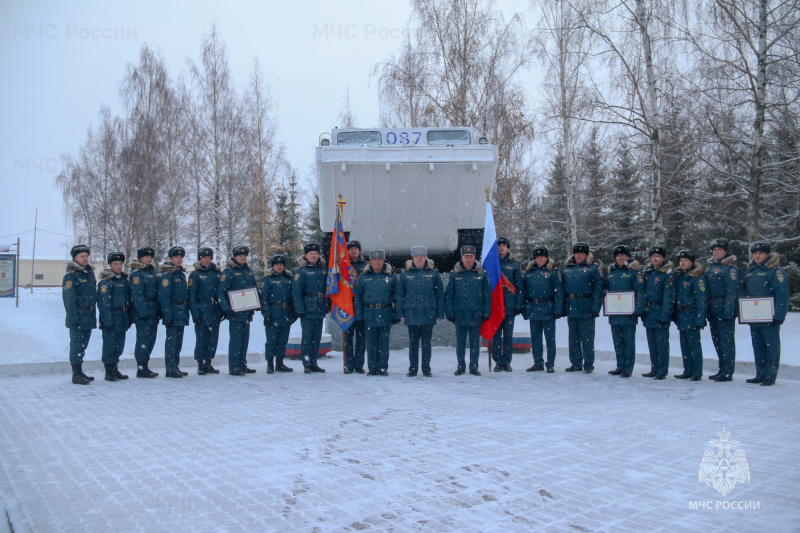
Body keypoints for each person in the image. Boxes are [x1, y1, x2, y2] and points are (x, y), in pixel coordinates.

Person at [742, 241, 789, 386]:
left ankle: (770, 375)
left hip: (769, 316)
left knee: (771, 346)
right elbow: (744, 291)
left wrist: (779, 315)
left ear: (768, 254)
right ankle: (760, 373)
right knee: (758, 346)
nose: (757, 255)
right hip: (754, 316)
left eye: (760, 253)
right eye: (755, 253)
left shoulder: (775, 271)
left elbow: (782, 295)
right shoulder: (751, 271)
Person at [396, 246, 445, 377]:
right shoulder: (405, 274)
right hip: (411, 314)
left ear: (425, 258)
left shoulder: (433, 274)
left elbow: (440, 294)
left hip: (428, 314)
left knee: (426, 344)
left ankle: (426, 369)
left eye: (422, 257)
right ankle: (412, 369)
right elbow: (400, 295)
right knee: (413, 344)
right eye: (417, 257)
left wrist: (440, 313)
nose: (419, 259)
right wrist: (400, 313)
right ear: (412, 258)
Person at [445, 246, 491, 376]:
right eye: (466, 256)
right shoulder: (455, 274)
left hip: (476, 314)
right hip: (459, 314)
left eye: (471, 257)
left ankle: (474, 367)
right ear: (462, 258)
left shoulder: (481, 274)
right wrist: (449, 312)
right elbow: (449, 295)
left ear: (474, 258)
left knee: (475, 343)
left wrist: (486, 312)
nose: (468, 259)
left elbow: (487, 295)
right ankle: (461, 366)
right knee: (460, 343)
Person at [561, 242, 603, 374]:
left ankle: (589, 364)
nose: (579, 255)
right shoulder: (567, 269)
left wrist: (596, 307)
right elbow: (562, 290)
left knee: (587, 338)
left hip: (586, 307)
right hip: (571, 307)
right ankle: (575, 363)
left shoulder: (593, 269)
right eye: (577, 253)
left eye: (582, 253)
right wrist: (562, 307)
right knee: (573, 338)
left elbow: (598, 290)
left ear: (586, 255)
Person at [354, 249, 398, 376]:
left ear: (383, 261)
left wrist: (396, 313)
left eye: (379, 259)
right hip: (369, 313)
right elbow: (358, 298)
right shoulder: (363, 278)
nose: (377, 262)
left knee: (384, 343)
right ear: (370, 261)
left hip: (386, 312)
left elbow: (397, 297)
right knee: (371, 343)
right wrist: (359, 315)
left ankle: (383, 368)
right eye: (374, 259)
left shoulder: (391, 277)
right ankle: (372, 368)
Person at [604, 245, 645, 378]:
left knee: (628, 342)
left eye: (623, 255)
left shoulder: (634, 273)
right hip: (615, 314)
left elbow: (640, 291)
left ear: (628, 257)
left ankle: (628, 368)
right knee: (618, 342)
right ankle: (620, 366)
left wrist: (638, 309)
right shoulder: (611, 272)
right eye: (618, 256)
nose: (620, 258)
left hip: (629, 314)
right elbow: (606, 290)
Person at [521, 246, 563, 373]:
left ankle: (550, 363)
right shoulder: (528, 273)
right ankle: (538, 363)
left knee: (550, 338)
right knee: (535, 338)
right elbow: (524, 292)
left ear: (546, 258)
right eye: (537, 257)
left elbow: (560, 291)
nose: (540, 259)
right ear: (534, 259)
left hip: (548, 308)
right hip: (533, 308)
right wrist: (524, 309)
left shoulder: (553, 272)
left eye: (542, 257)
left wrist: (558, 309)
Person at [218, 245, 258, 376]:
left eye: (245, 255)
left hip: (246, 312)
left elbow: (253, 289)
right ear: (234, 257)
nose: (243, 257)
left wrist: (257, 303)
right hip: (235, 312)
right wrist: (226, 308)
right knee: (236, 340)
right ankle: (234, 366)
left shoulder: (249, 271)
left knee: (244, 340)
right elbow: (221, 292)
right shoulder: (229, 273)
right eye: (240, 255)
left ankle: (242, 364)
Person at [292, 243, 331, 374]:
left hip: (320, 306)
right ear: (306, 256)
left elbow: (328, 288)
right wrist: (299, 309)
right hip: (307, 307)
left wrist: (327, 304)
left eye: (315, 253)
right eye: (311, 254)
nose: (314, 256)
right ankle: (307, 363)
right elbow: (296, 292)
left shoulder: (323, 270)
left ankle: (314, 362)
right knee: (307, 337)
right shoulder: (301, 271)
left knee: (316, 337)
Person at [704, 238, 739, 382]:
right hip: (713, 307)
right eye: (714, 250)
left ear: (725, 251)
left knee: (726, 341)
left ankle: (727, 371)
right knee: (717, 341)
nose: (716, 252)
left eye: (719, 249)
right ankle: (721, 368)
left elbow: (732, 291)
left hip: (724, 305)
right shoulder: (710, 268)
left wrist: (728, 310)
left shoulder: (730, 269)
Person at [62, 244, 97, 385]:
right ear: (75, 258)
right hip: (78, 315)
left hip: (88, 315)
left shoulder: (89, 274)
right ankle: (76, 374)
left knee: (83, 344)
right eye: (82, 256)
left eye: (86, 256)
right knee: (76, 345)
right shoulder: (71, 276)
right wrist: (73, 317)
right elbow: (68, 299)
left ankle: (80, 371)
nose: (85, 258)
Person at [97, 251, 132, 382]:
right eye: (115, 264)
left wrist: (128, 317)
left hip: (122, 317)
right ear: (110, 265)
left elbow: (128, 301)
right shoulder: (106, 282)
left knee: (119, 346)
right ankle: (108, 371)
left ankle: (115, 368)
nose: (118, 266)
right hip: (111, 317)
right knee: (109, 346)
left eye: (120, 264)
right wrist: (107, 320)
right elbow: (103, 304)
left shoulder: (124, 281)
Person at [641, 244, 675, 380]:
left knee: (662, 344)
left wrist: (665, 315)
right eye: (653, 256)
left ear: (663, 258)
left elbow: (669, 297)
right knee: (652, 344)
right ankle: (654, 368)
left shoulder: (667, 274)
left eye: (658, 256)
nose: (656, 259)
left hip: (660, 311)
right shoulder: (648, 273)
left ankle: (662, 370)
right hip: (649, 313)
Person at [673, 249, 707, 381]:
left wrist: (700, 318)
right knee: (685, 345)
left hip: (692, 314)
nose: (682, 263)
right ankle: (687, 370)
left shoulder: (696, 279)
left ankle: (697, 372)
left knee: (694, 346)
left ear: (691, 262)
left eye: (685, 260)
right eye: (681, 261)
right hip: (681, 315)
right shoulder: (679, 277)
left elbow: (702, 300)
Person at [491, 237, 523, 372]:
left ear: (508, 248)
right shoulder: (491, 263)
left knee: (508, 336)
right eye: (499, 245)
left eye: (504, 245)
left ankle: (507, 362)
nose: (501, 248)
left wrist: (519, 304)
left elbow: (519, 286)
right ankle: (498, 362)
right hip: (495, 305)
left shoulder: (514, 265)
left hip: (509, 305)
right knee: (496, 336)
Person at [188, 247, 222, 376]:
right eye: (204, 258)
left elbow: (221, 292)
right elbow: (191, 296)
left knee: (213, 338)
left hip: (214, 310)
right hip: (202, 309)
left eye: (209, 258)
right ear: (199, 259)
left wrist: (222, 310)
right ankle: (200, 363)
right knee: (201, 338)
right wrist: (195, 313)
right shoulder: (195, 275)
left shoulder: (217, 273)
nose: (206, 260)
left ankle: (209, 362)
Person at [260, 254, 296, 374]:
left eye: (281, 265)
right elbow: (264, 298)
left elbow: (293, 296)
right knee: (271, 340)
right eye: (277, 265)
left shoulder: (289, 279)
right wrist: (266, 314)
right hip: (273, 312)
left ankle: (280, 363)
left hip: (286, 312)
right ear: (273, 266)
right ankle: (270, 364)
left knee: (283, 340)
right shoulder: (267, 279)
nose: (279, 267)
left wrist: (294, 312)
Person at [159, 246, 190, 378]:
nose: (179, 260)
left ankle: (175, 366)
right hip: (173, 311)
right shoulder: (168, 276)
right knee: (172, 342)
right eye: (176, 257)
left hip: (181, 312)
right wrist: (167, 315)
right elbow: (164, 297)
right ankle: (170, 368)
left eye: (180, 257)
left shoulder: (181, 274)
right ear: (170, 259)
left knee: (178, 342)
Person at [130, 246, 160, 378]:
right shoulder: (137, 274)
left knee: (151, 340)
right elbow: (137, 295)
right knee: (143, 340)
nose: (149, 259)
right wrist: (142, 313)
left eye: (150, 257)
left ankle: (146, 365)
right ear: (140, 258)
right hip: (144, 312)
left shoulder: (151, 272)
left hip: (153, 310)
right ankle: (141, 367)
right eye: (146, 257)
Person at [344, 241, 368, 373]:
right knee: (347, 337)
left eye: (356, 249)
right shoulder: (343, 266)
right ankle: (348, 364)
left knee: (361, 337)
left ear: (359, 251)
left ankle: (359, 365)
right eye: (351, 249)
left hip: (362, 306)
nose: (353, 251)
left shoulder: (365, 266)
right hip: (347, 305)